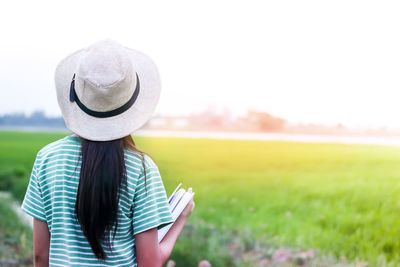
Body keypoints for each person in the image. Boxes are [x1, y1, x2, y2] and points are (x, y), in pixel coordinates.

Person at [21, 40, 195, 267]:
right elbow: (149, 264)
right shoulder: (141, 168)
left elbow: (40, 257)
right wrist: (180, 220)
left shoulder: (47, 158)